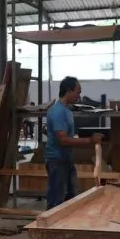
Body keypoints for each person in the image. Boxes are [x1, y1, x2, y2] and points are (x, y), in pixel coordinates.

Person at [45, 77, 102, 209]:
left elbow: (69, 136)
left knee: (72, 196)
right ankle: (50, 227)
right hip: (56, 160)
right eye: (78, 92)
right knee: (56, 199)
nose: (79, 95)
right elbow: (63, 140)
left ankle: (65, 226)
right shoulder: (57, 112)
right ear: (69, 91)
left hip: (66, 159)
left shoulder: (67, 111)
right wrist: (89, 140)